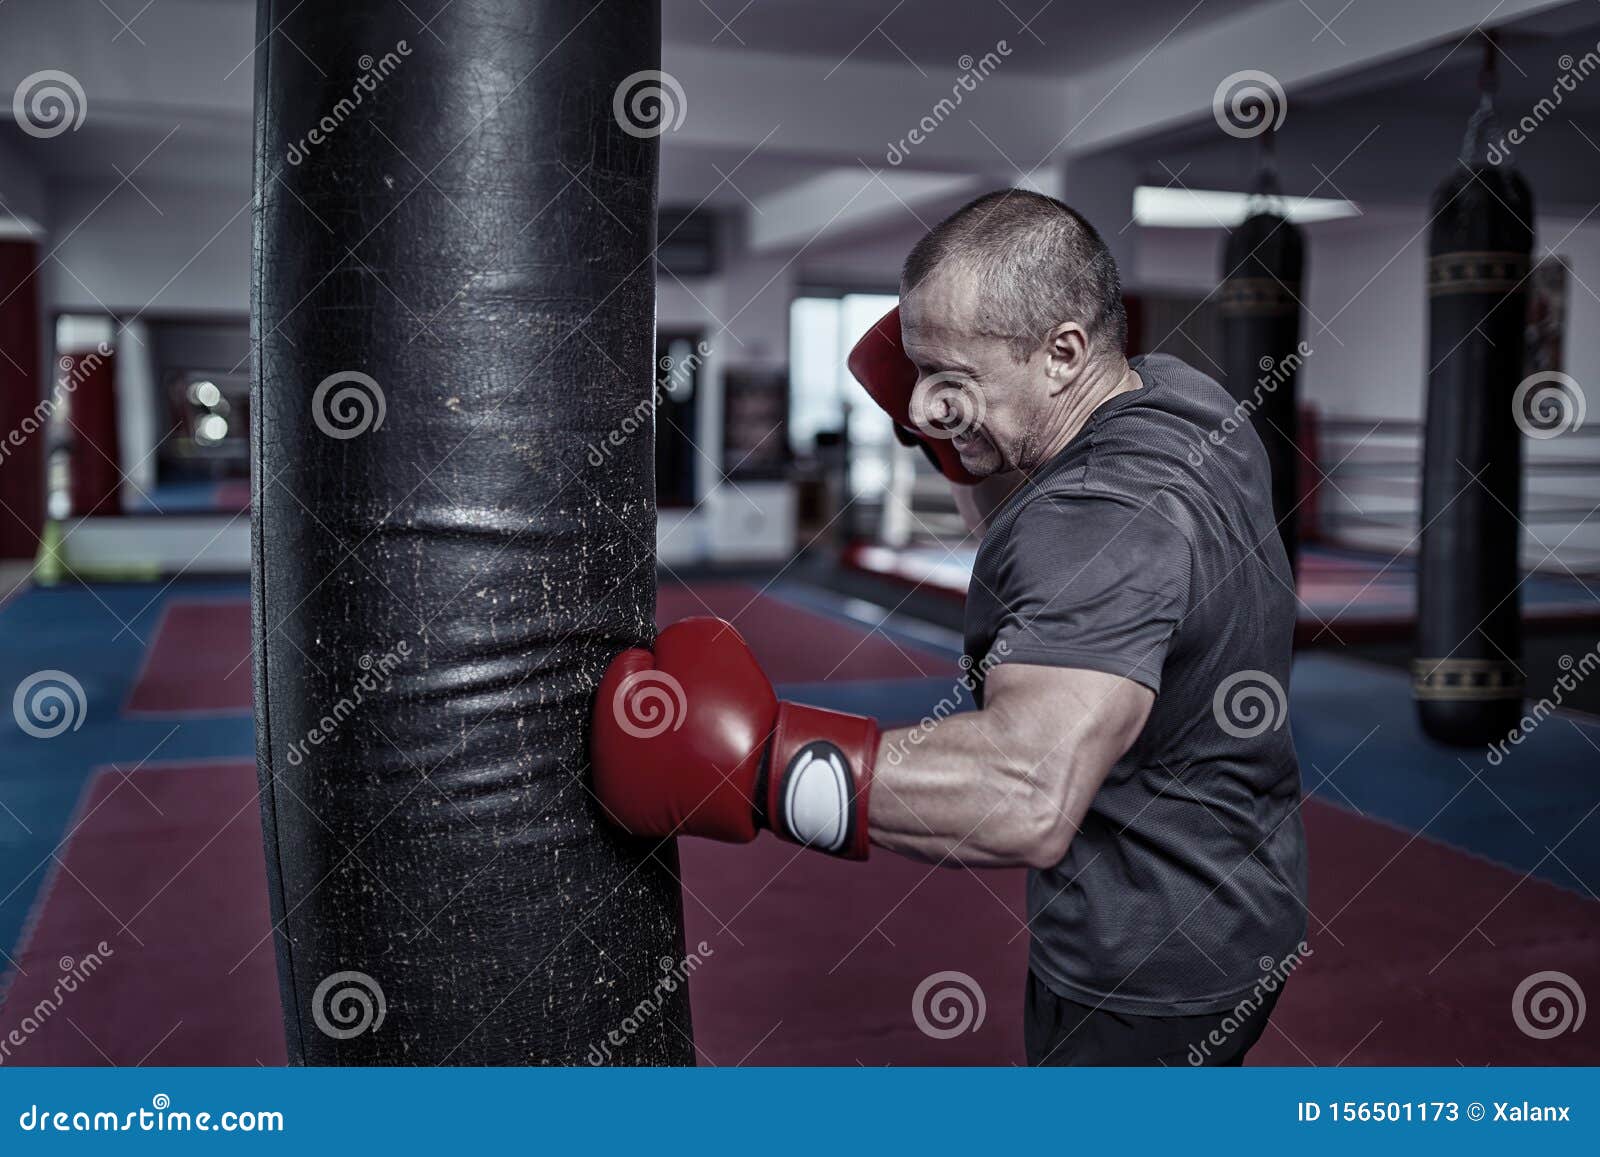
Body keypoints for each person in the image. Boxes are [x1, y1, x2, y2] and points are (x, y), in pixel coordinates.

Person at [590, 188, 1308, 1066]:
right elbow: (1035, 542)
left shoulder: (1097, 521)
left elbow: (1026, 792)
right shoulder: (1180, 399)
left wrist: (760, 765)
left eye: (952, 377)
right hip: (1246, 895)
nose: (923, 405)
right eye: (920, 370)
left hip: (1146, 961)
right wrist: (965, 435)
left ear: (1063, 352)